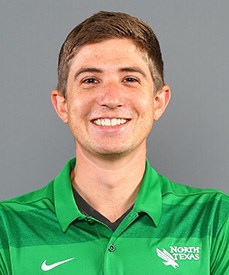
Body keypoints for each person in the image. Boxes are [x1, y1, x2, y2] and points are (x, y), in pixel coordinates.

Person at [0, 11, 228, 275]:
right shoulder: (7, 228)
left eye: (129, 79)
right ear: (62, 105)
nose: (110, 98)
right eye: (90, 80)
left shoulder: (215, 221)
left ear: (158, 101)